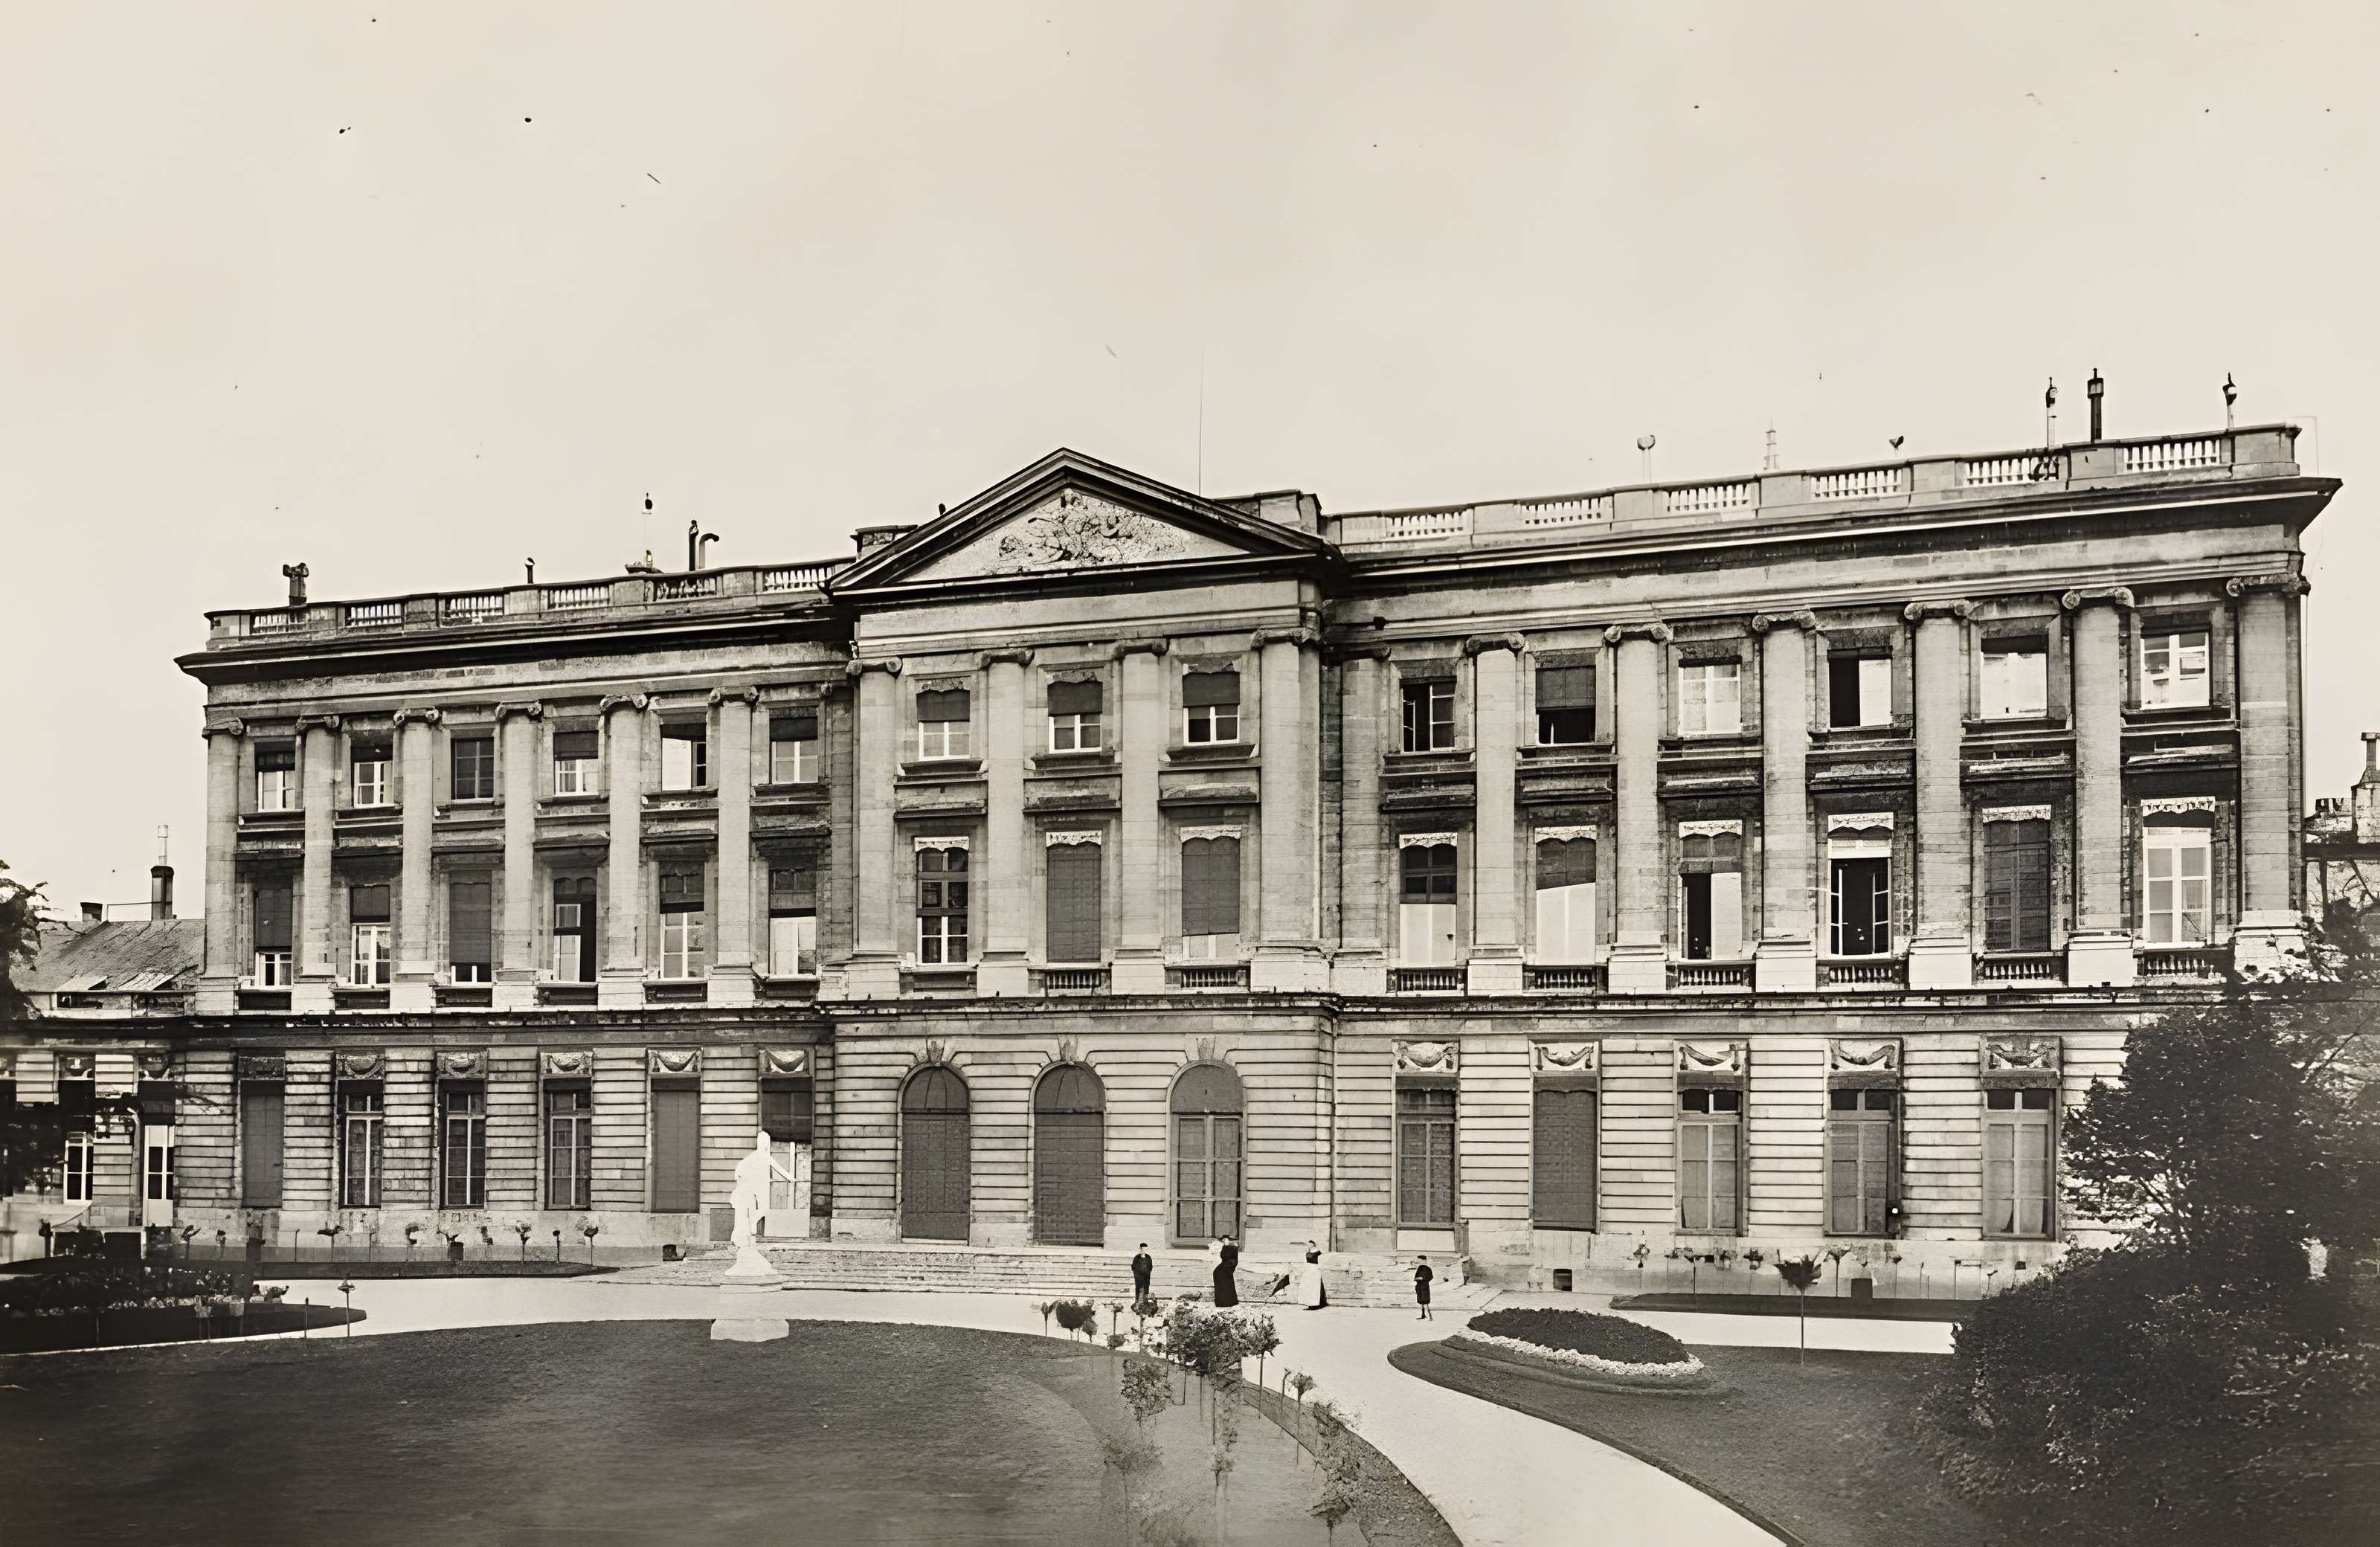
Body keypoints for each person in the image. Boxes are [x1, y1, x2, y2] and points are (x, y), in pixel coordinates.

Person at [1296, 1241, 1328, 1310]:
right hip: (1308, 1270)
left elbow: (1322, 1260)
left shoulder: (1318, 1252)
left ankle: (1315, 1304)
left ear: (1312, 1245)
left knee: (1314, 1287)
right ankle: (1309, 1304)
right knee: (1308, 1287)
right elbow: (1305, 1261)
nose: (1308, 1245)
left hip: (1315, 1270)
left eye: (1309, 1244)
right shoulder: (1307, 1252)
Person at [1212, 1235, 1240, 1308]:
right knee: (1223, 1284)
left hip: (1227, 1268)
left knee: (1227, 1284)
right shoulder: (1225, 1248)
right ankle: (1221, 1302)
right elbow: (1223, 1256)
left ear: (1230, 1240)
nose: (1224, 1241)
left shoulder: (1233, 1248)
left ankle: (1228, 1302)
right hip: (1224, 1268)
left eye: (1226, 1240)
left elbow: (1227, 1256)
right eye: (1223, 1240)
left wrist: (1227, 1246)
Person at [1131, 1243, 1155, 1307]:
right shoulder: (1137, 1258)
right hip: (1139, 1276)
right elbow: (1134, 1267)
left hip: (1146, 1276)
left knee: (1146, 1288)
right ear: (1140, 1249)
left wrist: (1147, 1272)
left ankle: (1145, 1302)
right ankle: (1137, 1302)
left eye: (1145, 1249)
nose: (1144, 1250)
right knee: (1139, 1288)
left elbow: (1150, 1266)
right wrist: (1138, 1274)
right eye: (1143, 1249)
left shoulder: (1148, 1257)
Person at [1413, 1255, 1435, 1320]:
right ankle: (1423, 1315)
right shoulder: (1419, 1268)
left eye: (1420, 1260)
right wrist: (1416, 1278)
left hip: (1425, 1287)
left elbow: (1431, 1277)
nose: (1419, 1262)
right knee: (1421, 1302)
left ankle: (1430, 1317)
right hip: (1419, 1286)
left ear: (1424, 1261)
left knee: (1426, 1302)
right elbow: (1416, 1276)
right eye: (1419, 1260)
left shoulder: (1428, 1268)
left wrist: (1423, 1278)